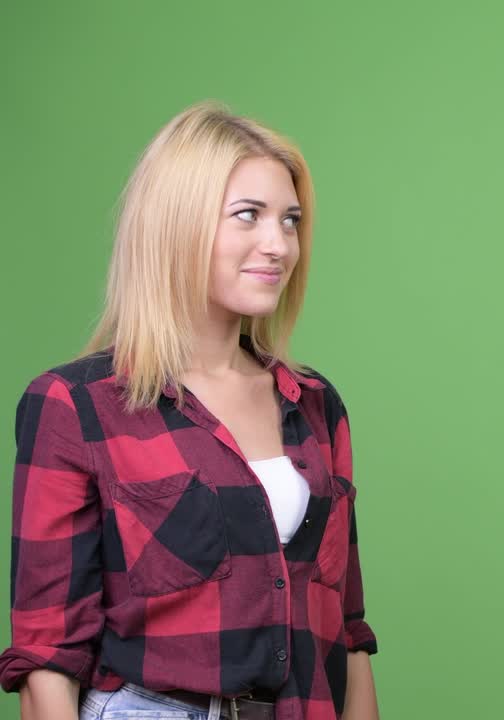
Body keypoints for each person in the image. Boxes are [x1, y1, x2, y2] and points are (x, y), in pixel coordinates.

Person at [1, 103, 378, 720]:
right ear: (176, 223)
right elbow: (47, 656)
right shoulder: (76, 406)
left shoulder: (313, 404)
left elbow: (348, 626)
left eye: (290, 221)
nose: (279, 244)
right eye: (248, 217)